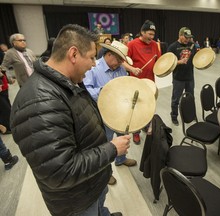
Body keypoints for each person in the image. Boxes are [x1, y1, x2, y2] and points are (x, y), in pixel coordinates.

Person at [10, 24, 129, 216]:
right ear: (73, 54)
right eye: (91, 57)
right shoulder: (40, 102)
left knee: (100, 208)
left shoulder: (67, 83)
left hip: (91, 184)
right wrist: (112, 149)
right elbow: (60, 171)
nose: (93, 64)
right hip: (77, 201)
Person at [83, 40, 136, 185]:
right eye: (118, 59)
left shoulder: (120, 69)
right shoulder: (93, 68)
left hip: (120, 113)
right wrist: (104, 91)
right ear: (108, 54)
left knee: (122, 137)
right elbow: (85, 90)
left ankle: (121, 159)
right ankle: (106, 173)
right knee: (105, 143)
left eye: (122, 60)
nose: (120, 63)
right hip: (101, 115)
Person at [124, 20, 161, 144]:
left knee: (149, 106)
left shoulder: (155, 45)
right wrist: (132, 69)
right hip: (136, 82)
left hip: (150, 82)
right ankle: (136, 132)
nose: (152, 37)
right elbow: (122, 62)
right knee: (136, 109)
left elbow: (159, 61)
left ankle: (146, 125)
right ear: (142, 32)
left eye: (153, 34)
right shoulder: (132, 44)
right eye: (149, 34)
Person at [167, 27, 197, 125]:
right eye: (186, 37)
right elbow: (167, 63)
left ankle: (189, 115)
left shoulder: (192, 45)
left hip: (190, 77)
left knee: (190, 98)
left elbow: (196, 58)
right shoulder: (172, 47)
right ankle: (174, 116)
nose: (188, 40)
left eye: (189, 38)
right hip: (178, 78)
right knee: (176, 99)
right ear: (180, 35)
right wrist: (178, 62)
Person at [0, 67, 14, 133]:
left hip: (4, 89)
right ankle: (7, 128)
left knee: (7, 108)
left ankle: (6, 126)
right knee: (6, 109)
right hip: (1, 90)